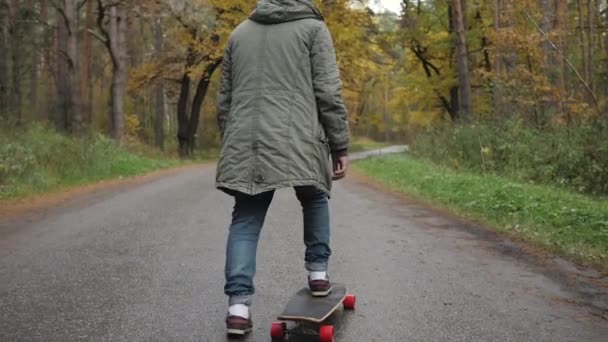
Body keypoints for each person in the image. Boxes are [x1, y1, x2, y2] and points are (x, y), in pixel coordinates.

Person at [215, 0, 349, 335]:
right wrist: (339, 143)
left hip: (247, 140)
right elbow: (328, 92)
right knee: (314, 196)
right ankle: (318, 275)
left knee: (246, 218)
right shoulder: (314, 29)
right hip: (301, 138)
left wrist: (232, 140)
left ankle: (238, 308)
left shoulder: (238, 33)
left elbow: (225, 100)